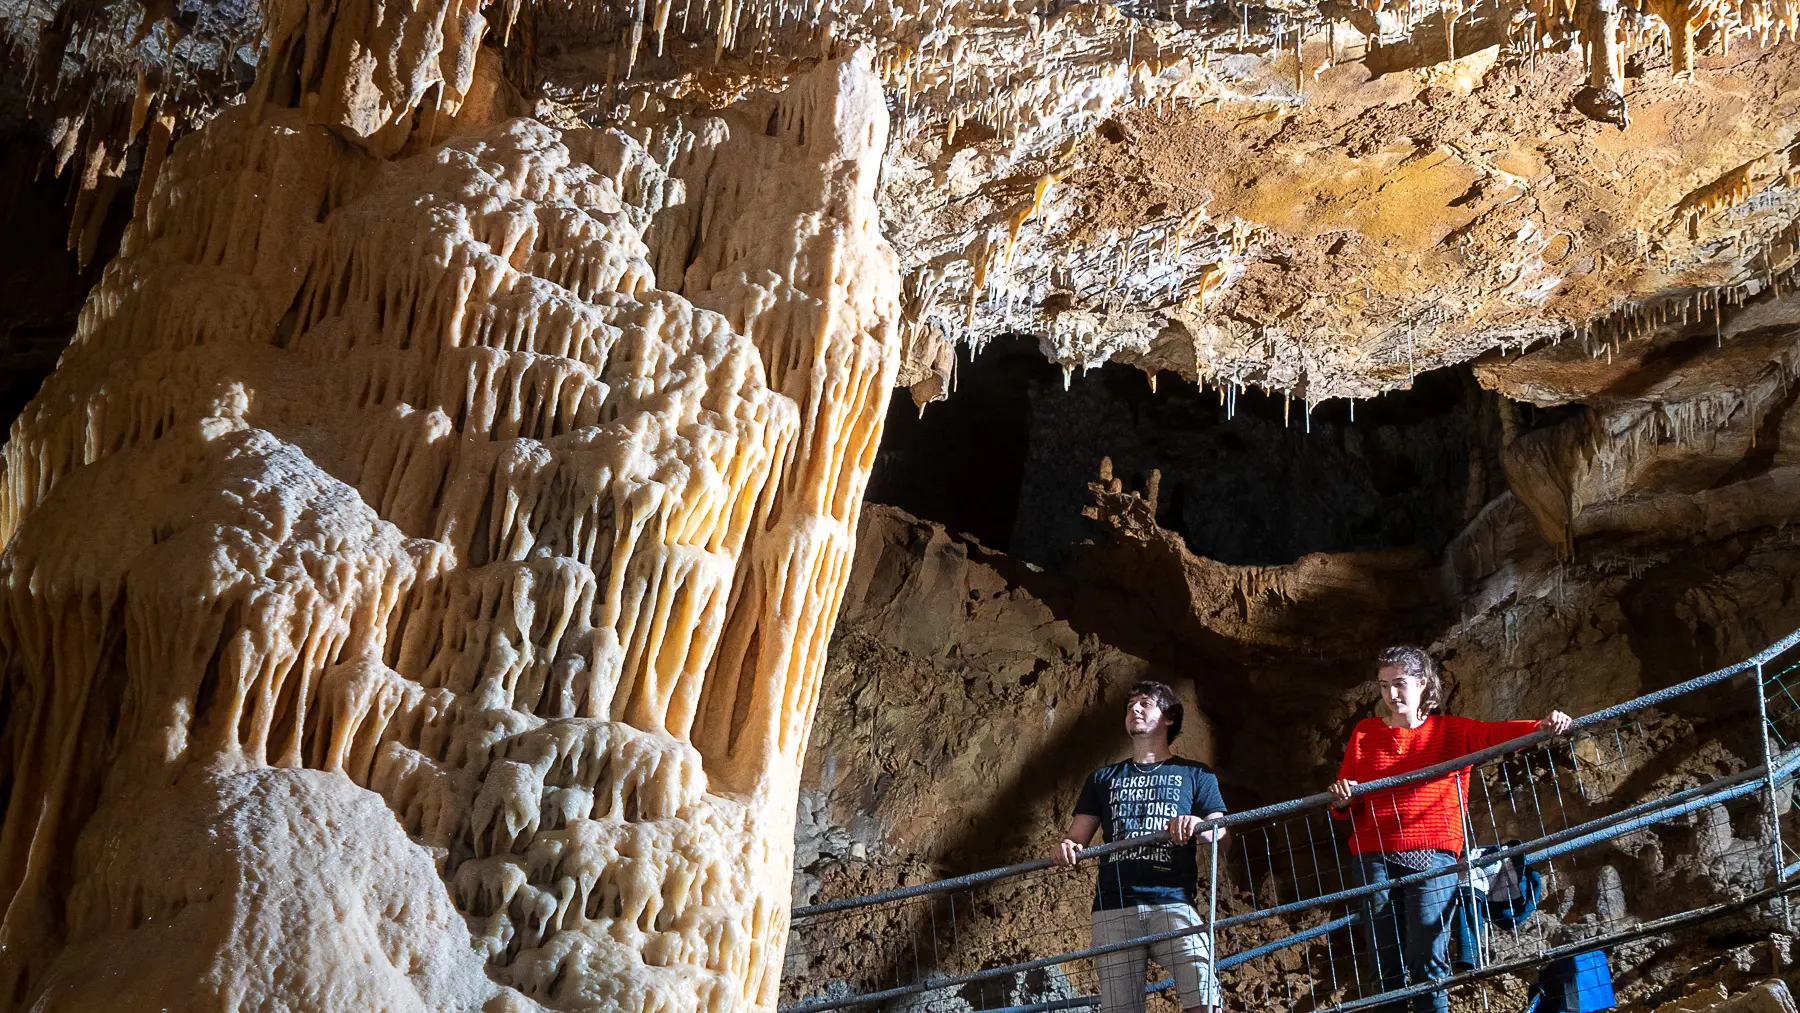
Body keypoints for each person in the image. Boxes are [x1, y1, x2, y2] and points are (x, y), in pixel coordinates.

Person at [1330, 646, 1573, 1013]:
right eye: (1383, 686)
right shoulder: (1365, 733)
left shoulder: (1451, 731)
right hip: (1372, 855)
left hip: (1433, 854)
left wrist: (1541, 726)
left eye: (1399, 684)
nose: (1391, 695)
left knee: (1426, 952)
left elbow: (1496, 735)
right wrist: (1342, 799)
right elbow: (1344, 798)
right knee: (1384, 958)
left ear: (1422, 683)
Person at [1052, 681, 1227, 1013]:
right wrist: (1065, 848)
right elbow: (1076, 838)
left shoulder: (1195, 774)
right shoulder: (1102, 778)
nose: (1134, 709)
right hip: (1113, 908)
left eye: (1146, 703)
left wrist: (1196, 823)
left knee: (1203, 992)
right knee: (1120, 1008)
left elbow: (1222, 835)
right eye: (1130, 704)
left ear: (1169, 717)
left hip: (1172, 901)